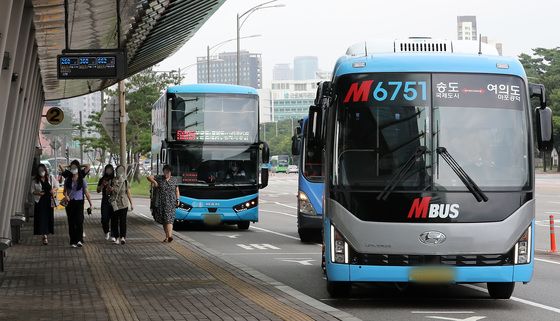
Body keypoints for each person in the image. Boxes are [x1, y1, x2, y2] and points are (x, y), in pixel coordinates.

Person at [62, 161, 93, 248]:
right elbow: (64, 191)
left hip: (79, 202)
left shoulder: (82, 180)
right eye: (72, 168)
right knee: (71, 222)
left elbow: (86, 193)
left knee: (79, 221)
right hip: (70, 202)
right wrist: (66, 196)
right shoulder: (67, 180)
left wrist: (90, 204)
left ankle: (79, 240)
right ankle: (73, 240)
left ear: (78, 169)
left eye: (75, 168)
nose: (73, 170)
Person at [147, 165, 179, 243]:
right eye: (165, 171)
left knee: (169, 219)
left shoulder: (174, 180)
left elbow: (177, 190)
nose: (166, 173)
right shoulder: (159, 178)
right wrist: (154, 182)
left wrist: (178, 199)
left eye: (168, 171)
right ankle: (167, 237)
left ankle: (170, 236)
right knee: (164, 221)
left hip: (171, 202)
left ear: (170, 172)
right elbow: (148, 177)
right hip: (161, 202)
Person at [31, 164, 58, 245]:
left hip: (49, 201)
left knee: (48, 217)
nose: (41, 172)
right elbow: (31, 191)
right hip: (40, 201)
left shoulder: (50, 177)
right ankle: (44, 236)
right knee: (42, 218)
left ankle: (47, 232)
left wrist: (53, 190)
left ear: (45, 170)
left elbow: (57, 186)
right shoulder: (35, 181)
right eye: (39, 171)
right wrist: (38, 193)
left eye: (42, 170)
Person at [108, 165, 133, 245]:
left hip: (123, 203)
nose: (120, 172)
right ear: (116, 171)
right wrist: (109, 190)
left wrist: (131, 203)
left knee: (123, 221)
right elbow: (107, 193)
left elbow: (128, 193)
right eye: (119, 170)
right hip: (114, 203)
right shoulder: (111, 181)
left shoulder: (125, 181)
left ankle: (123, 237)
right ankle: (116, 237)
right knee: (114, 221)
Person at [97, 164, 114, 241]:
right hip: (105, 200)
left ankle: (113, 235)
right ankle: (106, 231)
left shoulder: (115, 179)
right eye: (107, 169)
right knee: (104, 218)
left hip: (114, 200)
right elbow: (98, 190)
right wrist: (102, 185)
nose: (108, 171)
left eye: (110, 169)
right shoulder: (102, 179)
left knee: (114, 218)